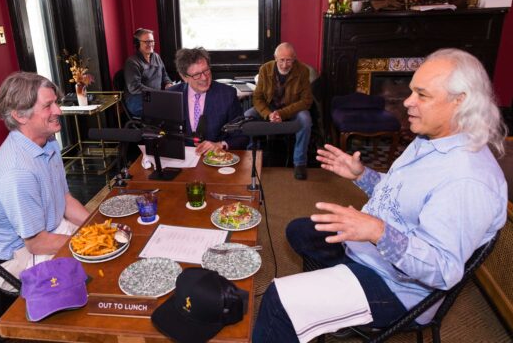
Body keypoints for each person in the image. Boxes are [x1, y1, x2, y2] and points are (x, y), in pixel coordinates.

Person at [253, 48, 508, 343]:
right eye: (412, 90)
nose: (407, 102)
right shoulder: (430, 138)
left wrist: (377, 231)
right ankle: (338, 302)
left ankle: (339, 303)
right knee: (299, 231)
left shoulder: (468, 180)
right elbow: (406, 196)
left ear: (459, 101)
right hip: (374, 252)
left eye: (422, 95)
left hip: (400, 289)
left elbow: (442, 270)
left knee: (279, 302)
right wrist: (362, 174)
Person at [0, 72, 90, 292]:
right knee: (97, 274)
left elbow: (65, 199)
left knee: (115, 247)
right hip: (18, 259)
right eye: (48, 106)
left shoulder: (47, 141)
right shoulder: (17, 173)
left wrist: (96, 228)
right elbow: (36, 244)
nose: (58, 111)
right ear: (20, 116)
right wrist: (89, 243)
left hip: (49, 230)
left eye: (56, 102)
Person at [245, 42, 313, 180]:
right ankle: (251, 157)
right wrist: (268, 114)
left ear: (294, 59)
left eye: (289, 60)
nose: (285, 64)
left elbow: (306, 101)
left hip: (291, 109)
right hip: (269, 108)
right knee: (247, 116)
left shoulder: (303, 71)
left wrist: (281, 114)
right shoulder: (265, 69)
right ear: (275, 58)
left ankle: (300, 163)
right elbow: (257, 98)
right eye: (281, 60)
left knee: (306, 120)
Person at [168, 47, 248, 154]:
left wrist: (220, 145)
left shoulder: (227, 94)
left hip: (216, 160)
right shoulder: (172, 95)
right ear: (184, 77)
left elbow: (242, 136)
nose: (204, 78)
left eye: (206, 70)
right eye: (197, 74)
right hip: (182, 160)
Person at [123, 28, 173, 117]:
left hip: (155, 96)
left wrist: (168, 83)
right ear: (137, 44)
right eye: (147, 42)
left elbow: (164, 74)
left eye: (152, 41)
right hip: (137, 99)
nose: (150, 44)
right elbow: (134, 87)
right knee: (167, 109)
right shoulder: (132, 62)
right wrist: (158, 94)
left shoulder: (156, 57)